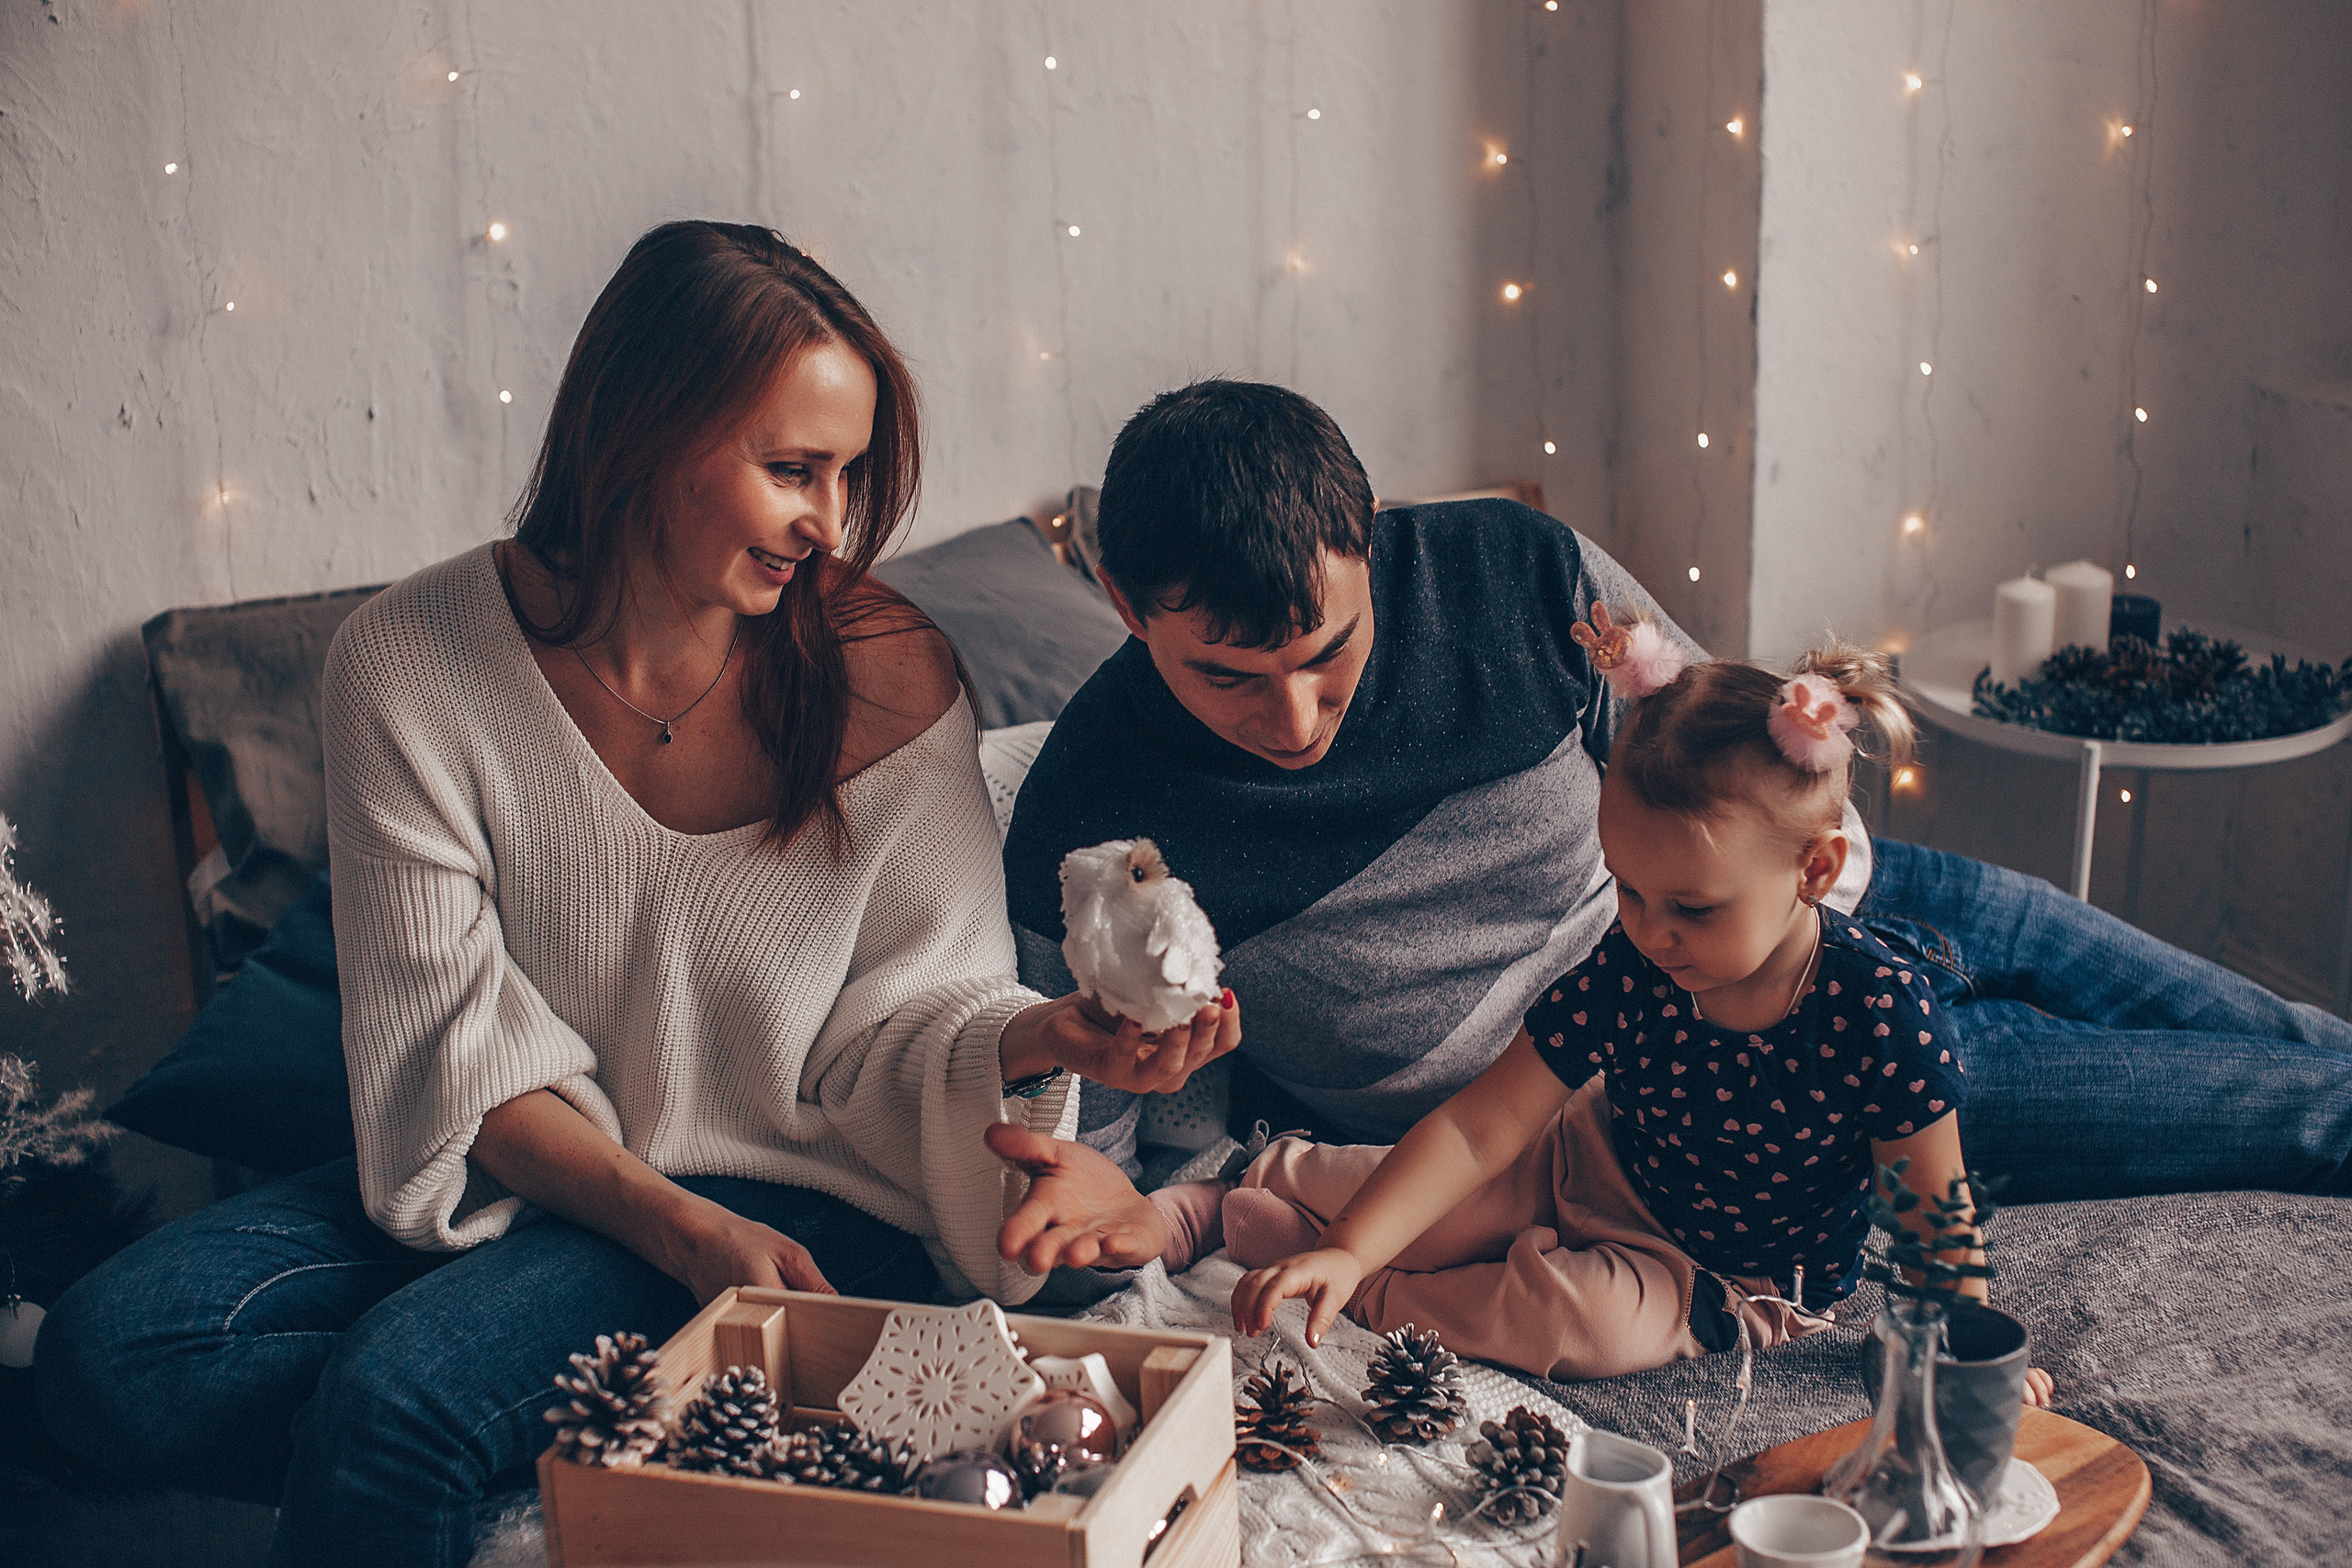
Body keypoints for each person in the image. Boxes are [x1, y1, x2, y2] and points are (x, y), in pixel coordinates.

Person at [37, 221, 1232, 1568]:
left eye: (846, 478)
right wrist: (669, 1225)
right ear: (642, 430)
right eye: (792, 469)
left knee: (399, 1403)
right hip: (541, 1169)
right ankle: (576, 1421)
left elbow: (921, 1005)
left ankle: (477, 1426)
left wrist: (1040, 1038)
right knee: (112, 1351)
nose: (828, 524)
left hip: (807, 1188)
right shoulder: (410, 666)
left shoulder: (887, 669)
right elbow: (455, 1047)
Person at [988, 378, 2352, 1289]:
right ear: (1120, 596)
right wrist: (1128, 1186)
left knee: (2292, 1030)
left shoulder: (1513, 570)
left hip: (1816, 898)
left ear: (1370, 531)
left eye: (1327, 654)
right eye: (1228, 674)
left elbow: (1711, 735)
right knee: (2298, 1111)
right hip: (1701, 1077)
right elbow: (1147, 1130)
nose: (1293, 717)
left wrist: (1830, 896)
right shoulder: (1091, 824)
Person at [1165, 619, 2052, 1405]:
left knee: (1573, 1323)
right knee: (1390, 1189)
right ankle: (1265, 1195)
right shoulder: (1636, 966)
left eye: (1692, 907)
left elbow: (1934, 1215)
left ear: (1814, 872)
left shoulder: (1879, 1012)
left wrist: (1971, 1363)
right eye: (1626, 888)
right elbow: (1481, 1130)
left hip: (1717, 1276)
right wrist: (1356, 1239)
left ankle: (1370, 1299)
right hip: (1585, 1158)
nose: (1650, 930)